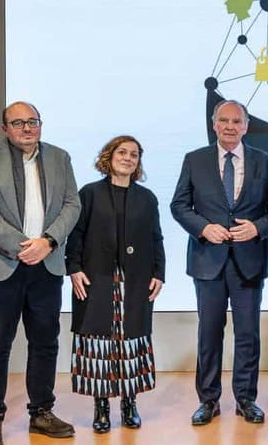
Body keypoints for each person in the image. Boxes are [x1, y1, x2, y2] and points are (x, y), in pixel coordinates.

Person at [0, 101, 80, 444]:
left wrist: (48, 241)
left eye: (33, 121)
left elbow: (72, 203)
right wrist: (21, 245)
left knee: (45, 342)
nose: (27, 128)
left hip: (46, 264)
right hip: (1, 265)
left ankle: (41, 412)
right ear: (5, 128)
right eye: (18, 123)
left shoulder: (59, 157)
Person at [171, 100, 268, 425]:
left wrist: (258, 228)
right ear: (214, 124)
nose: (230, 126)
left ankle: (246, 400)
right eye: (224, 120)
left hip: (249, 261)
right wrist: (203, 228)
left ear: (246, 126)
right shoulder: (195, 159)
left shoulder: (266, 161)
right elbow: (179, 205)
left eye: (236, 121)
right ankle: (208, 400)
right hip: (208, 261)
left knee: (248, 334)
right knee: (209, 333)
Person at [65, 135, 163, 433]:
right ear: (109, 156)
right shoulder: (89, 193)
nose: (128, 158)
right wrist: (74, 269)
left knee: (131, 342)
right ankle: (102, 406)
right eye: (122, 152)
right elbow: (76, 235)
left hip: (135, 281)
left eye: (134, 154)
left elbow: (156, 238)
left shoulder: (147, 198)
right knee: (99, 343)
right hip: (97, 279)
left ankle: (129, 403)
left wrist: (159, 273)